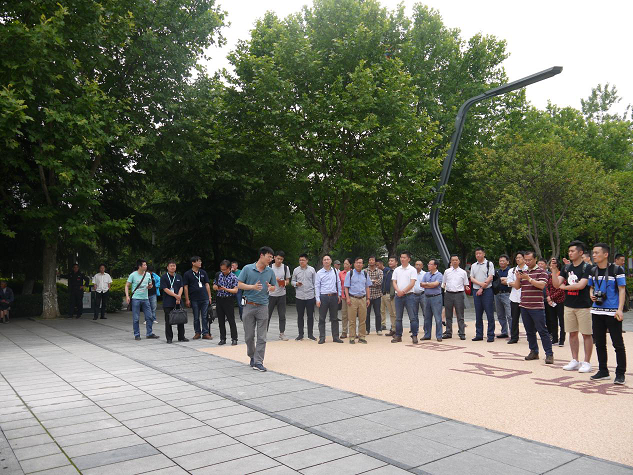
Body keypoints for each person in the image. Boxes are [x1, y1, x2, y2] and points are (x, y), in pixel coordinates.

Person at [552, 240, 593, 373]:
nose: (570, 253)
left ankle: (586, 362)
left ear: (580, 253)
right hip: (569, 304)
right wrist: (554, 271)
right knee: (572, 333)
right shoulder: (566, 268)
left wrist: (564, 287)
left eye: (572, 251)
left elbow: (581, 285)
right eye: (569, 251)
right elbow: (556, 284)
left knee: (586, 334)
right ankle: (575, 360)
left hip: (584, 305)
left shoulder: (587, 267)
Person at [587, 243, 627, 384]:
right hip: (596, 310)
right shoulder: (593, 270)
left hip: (612, 311)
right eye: (593, 253)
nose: (594, 255)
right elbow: (590, 287)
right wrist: (591, 295)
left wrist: (620, 309)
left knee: (617, 343)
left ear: (605, 254)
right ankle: (603, 370)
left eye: (596, 253)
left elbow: (622, 290)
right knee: (599, 343)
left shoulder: (617, 269)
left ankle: (620, 373)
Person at [237, 247, 277, 371]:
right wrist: (252, 287)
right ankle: (252, 356)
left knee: (262, 336)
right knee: (249, 336)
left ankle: (259, 361)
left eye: (272, 257)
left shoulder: (270, 271)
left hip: (263, 306)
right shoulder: (247, 268)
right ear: (261, 255)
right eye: (269, 257)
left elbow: (274, 286)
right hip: (248, 305)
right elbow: (238, 284)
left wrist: (271, 288)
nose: (270, 259)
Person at [511, 250, 554, 364]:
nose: (527, 262)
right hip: (524, 305)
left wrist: (528, 278)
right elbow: (517, 287)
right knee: (529, 331)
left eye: (529, 260)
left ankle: (549, 354)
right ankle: (534, 351)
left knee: (542, 330)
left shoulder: (542, 272)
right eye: (525, 260)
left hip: (537, 306)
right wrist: (518, 278)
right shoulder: (523, 272)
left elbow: (541, 285)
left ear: (535, 259)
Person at [125, 259, 158, 340]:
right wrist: (127, 296)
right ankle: (137, 335)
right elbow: (127, 286)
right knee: (136, 318)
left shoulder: (148, 275)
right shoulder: (133, 275)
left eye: (146, 265)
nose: (146, 266)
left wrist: (150, 286)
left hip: (145, 298)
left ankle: (149, 333)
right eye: (144, 265)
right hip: (136, 298)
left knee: (149, 316)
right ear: (139, 266)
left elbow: (150, 284)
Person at [391, 251, 418, 344]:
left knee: (412, 317)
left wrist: (403, 291)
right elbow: (394, 282)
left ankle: (414, 335)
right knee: (398, 317)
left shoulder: (412, 269)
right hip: (398, 296)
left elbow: (412, 283)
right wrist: (398, 291)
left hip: (409, 296)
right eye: (401, 257)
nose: (402, 259)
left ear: (408, 259)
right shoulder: (397, 270)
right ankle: (398, 335)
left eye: (404, 257)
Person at [315, 254, 343, 344]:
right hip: (323, 297)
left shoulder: (335, 271)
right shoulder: (319, 273)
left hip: (334, 296)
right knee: (322, 318)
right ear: (322, 262)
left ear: (331, 261)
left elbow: (338, 283)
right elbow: (317, 286)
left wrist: (339, 295)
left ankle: (335, 337)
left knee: (334, 318)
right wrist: (317, 299)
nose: (326, 261)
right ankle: (322, 337)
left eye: (328, 259)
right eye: (325, 260)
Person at [183, 256, 213, 341]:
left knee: (204, 316)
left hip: (204, 297)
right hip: (194, 298)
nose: (200, 263)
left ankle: (205, 333)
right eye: (198, 261)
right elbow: (185, 287)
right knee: (196, 317)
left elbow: (207, 284)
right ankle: (197, 332)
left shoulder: (203, 272)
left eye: (200, 261)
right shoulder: (187, 274)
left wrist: (209, 296)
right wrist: (187, 299)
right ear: (193, 263)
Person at [470, 247, 496, 342]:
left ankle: (490, 335)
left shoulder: (489, 264)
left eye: (480, 253)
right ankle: (479, 334)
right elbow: (472, 278)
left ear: (484, 254)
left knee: (489, 314)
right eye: (476, 253)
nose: (478, 255)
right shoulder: (473, 265)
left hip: (487, 291)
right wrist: (480, 284)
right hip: (476, 291)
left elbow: (490, 277)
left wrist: (482, 288)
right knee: (478, 314)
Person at [345, 257, 372, 344]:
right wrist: (347, 298)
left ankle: (362, 337)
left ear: (363, 265)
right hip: (352, 298)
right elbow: (346, 287)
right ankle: (352, 337)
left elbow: (367, 286)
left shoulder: (365, 274)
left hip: (363, 299)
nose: (359, 264)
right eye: (357, 262)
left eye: (360, 263)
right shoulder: (350, 273)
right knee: (352, 320)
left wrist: (368, 298)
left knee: (362, 319)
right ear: (354, 264)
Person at [160, 260, 188, 344]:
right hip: (168, 302)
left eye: (174, 266)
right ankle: (169, 338)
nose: (173, 267)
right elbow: (165, 289)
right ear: (167, 267)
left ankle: (181, 336)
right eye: (171, 266)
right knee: (168, 320)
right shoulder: (164, 277)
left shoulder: (178, 276)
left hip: (178, 301)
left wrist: (179, 296)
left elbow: (181, 287)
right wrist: (175, 296)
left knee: (181, 319)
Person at [442, 255, 469, 340]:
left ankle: (462, 333)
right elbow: (444, 283)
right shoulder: (447, 271)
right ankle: (448, 332)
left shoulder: (463, 272)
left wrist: (467, 288)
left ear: (459, 261)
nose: (454, 262)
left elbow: (466, 284)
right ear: (450, 261)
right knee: (448, 315)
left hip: (459, 294)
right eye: (453, 260)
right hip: (448, 294)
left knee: (460, 315)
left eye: (456, 260)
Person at [291, 253, 317, 341]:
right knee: (300, 316)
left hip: (310, 296)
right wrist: (296, 283)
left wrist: (316, 295)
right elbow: (292, 281)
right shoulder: (296, 270)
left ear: (307, 261)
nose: (301, 262)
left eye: (303, 260)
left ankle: (310, 334)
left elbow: (315, 283)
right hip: (299, 296)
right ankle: (300, 334)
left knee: (310, 316)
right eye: (300, 260)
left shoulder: (312, 270)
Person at [213, 260, 239, 345]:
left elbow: (235, 290)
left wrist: (226, 289)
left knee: (231, 319)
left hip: (228, 299)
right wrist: (216, 287)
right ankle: (222, 338)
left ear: (229, 268)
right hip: (219, 298)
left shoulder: (233, 277)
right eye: (222, 269)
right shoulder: (218, 275)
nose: (223, 271)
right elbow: (214, 286)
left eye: (224, 269)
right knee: (220, 320)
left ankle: (234, 338)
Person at [267, 250, 291, 341]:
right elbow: (265, 279)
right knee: (267, 315)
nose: (279, 261)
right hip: (271, 294)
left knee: (282, 315)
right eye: (278, 258)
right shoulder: (269, 267)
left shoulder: (285, 268)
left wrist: (283, 282)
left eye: (281, 259)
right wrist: (274, 279)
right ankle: (263, 333)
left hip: (282, 294)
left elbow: (288, 280)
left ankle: (282, 333)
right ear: (274, 258)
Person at [506, 251, 527, 344]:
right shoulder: (512, 270)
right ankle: (514, 337)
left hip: (526, 297)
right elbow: (509, 282)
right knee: (514, 318)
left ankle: (530, 336)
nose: (518, 259)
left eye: (519, 257)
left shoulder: (528, 269)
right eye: (517, 258)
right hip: (514, 297)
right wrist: (518, 284)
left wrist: (516, 283)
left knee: (527, 319)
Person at [545, 257, 566, 346]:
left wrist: (551, 297)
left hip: (560, 300)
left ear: (557, 265)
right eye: (550, 264)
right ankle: (554, 338)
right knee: (552, 320)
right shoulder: (549, 275)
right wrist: (548, 297)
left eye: (553, 264)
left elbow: (561, 289)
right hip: (551, 301)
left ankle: (562, 339)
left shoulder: (561, 275)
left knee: (561, 320)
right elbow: (547, 287)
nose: (551, 266)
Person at [421, 259, 443, 341]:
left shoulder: (439, 275)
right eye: (428, 264)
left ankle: (439, 336)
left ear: (435, 266)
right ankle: (427, 335)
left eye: (430, 264)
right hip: (426, 297)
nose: (428, 265)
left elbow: (435, 284)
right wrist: (429, 285)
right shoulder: (426, 274)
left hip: (436, 297)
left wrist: (427, 284)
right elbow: (421, 284)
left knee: (438, 318)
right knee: (427, 317)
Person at [494, 255, 511, 338]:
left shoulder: (511, 271)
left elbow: (509, 281)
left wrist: (503, 280)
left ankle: (513, 332)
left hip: (507, 294)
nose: (501, 262)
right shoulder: (496, 271)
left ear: (507, 262)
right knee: (500, 315)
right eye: (500, 261)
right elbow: (495, 281)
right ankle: (504, 332)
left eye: (503, 261)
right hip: (497, 294)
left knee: (510, 315)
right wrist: (502, 279)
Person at [365, 255, 383, 335]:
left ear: (375, 261)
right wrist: (374, 281)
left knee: (378, 313)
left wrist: (370, 282)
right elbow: (365, 282)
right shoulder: (364, 271)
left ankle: (378, 329)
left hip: (377, 295)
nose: (371, 261)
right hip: (367, 296)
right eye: (370, 260)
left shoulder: (380, 271)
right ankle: (367, 329)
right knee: (367, 313)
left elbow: (380, 282)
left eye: (372, 260)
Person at [382, 256, 397, 335]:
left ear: (396, 262)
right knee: (391, 313)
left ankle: (397, 330)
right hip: (386, 294)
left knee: (395, 313)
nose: (390, 262)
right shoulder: (388, 271)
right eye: (389, 261)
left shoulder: (398, 271)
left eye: (392, 261)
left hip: (394, 295)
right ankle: (393, 328)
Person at [412, 260, 426, 335]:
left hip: (423, 294)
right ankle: (415, 328)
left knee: (425, 312)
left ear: (422, 266)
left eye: (419, 265)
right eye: (416, 264)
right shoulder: (412, 273)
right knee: (414, 313)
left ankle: (426, 328)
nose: (417, 266)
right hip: (413, 294)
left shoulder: (425, 274)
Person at [339, 258, 351, 338]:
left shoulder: (353, 273)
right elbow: (339, 285)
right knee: (344, 315)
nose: (345, 265)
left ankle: (353, 331)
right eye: (344, 264)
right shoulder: (340, 273)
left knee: (352, 315)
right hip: (344, 297)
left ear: (350, 265)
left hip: (352, 296)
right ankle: (344, 331)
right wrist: (339, 295)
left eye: (347, 264)